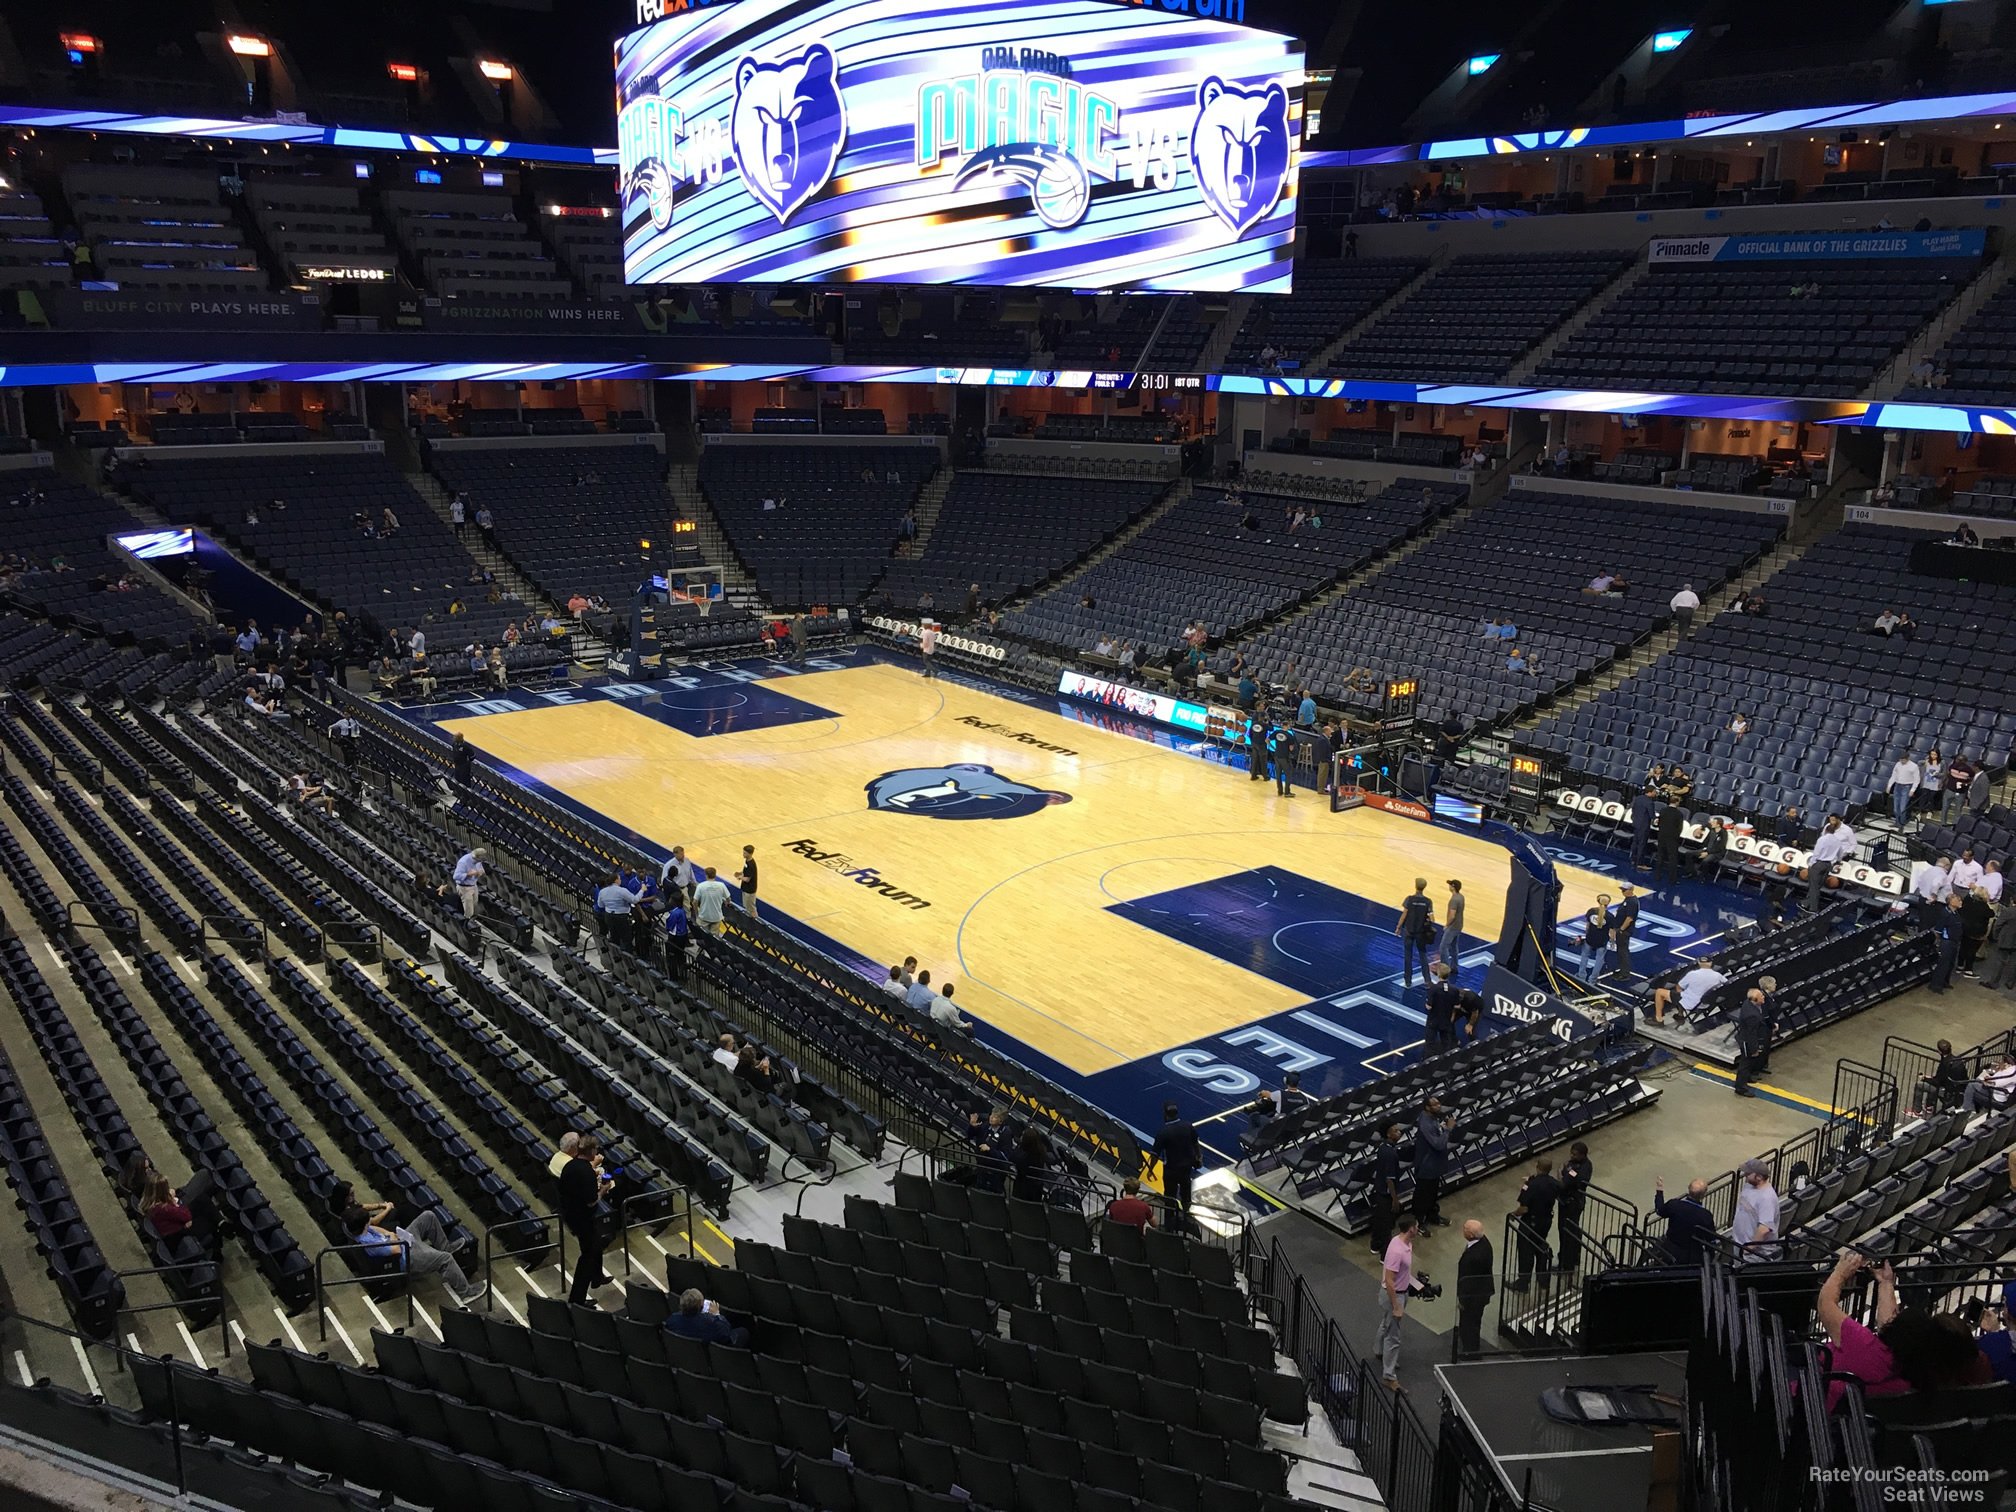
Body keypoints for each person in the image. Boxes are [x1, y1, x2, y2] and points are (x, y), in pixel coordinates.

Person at [348, 1204, 487, 1306]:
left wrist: (389, 1234)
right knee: (445, 1258)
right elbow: (396, 1250)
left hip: (403, 1241)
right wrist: (393, 1237)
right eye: (368, 1220)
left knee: (428, 1216)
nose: (370, 1221)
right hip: (405, 1257)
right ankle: (466, 1293)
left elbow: (375, 1227)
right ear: (363, 1224)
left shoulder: (364, 1230)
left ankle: (446, 1247)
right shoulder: (369, 1243)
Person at [557, 1134, 614, 1306]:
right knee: (588, 1255)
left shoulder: (570, 1165)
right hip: (582, 1219)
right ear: (590, 1151)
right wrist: (603, 1190)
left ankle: (597, 1277)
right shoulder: (586, 1172)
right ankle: (577, 1299)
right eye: (595, 1150)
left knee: (596, 1244)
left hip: (571, 1213)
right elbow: (591, 1201)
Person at [1378, 1214, 1421, 1392]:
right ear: (1411, 1228)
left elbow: (1402, 1273)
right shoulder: (1397, 1250)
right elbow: (1389, 1280)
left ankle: (1379, 1351)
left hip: (1401, 1292)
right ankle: (1389, 1376)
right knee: (1393, 1336)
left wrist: (1416, 1285)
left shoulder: (1403, 1243)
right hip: (1394, 1296)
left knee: (1386, 1324)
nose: (1418, 1229)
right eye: (1417, 1226)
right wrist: (1396, 1306)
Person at [1507, 1157, 1559, 1289]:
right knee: (1540, 1247)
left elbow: (1524, 1208)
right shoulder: (1553, 1183)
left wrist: (1513, 1214)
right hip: (1546, 1220)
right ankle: (1543, 1280)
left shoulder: (1531, 1185)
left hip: (1530, 1222)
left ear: (1537, 1167)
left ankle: (1523, 1283)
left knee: (1526, 1252)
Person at [1456, 1218, 1494, 1359]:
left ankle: (1471, 1351)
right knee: (1470, 1321)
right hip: (1480, 1291)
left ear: (1471, 1235)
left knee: (1471, 1322)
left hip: (1474, 1296)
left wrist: (1463, 1299)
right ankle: (1467, 1341)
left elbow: (1469, 1282)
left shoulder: (1475, 1257)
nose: (1463, 1229)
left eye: (1465, 1228)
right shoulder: (1483, 1242)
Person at [1153, 1102, 1200, 1215]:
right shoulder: (1188, 1126)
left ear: (1165, 1114)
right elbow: (1196, 1143)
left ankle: (1169, 1222)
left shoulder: (1163, 1132)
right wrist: (1199, 1157)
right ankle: (1186, 1215)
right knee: (1186, 1194)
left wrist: (1150, 1169)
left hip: (1171, 1170)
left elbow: (1155, 1155)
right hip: (1186, 1168)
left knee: (1169, 1196)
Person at [1413, 1098, 1452, 1227]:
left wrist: (1441, 1128)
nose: (1439, 1106)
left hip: (1434, 1165)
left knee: (1432, 1194)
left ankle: (1433, 1216)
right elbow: (1438, 1144)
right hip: (1426, 1167)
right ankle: (1419, 1223)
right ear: (1427, 1108)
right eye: (1435, 1105)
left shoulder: (1433, 1118)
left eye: (1439, 1103)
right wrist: (1448, 1130)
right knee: (1422, 1196)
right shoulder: (1425, 1124)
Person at [1651, 962, 1728, 1027]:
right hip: (1709, 1004)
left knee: (1660, 992)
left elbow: (1679, 987)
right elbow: (1727, 984)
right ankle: (1680, 1015)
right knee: (1683, 994)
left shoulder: (1692, 974)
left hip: (1693, 1004)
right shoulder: (1718, 975)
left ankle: (1659, 1019)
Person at [1367, 1123, 1404, 1257]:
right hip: (1386, 1194)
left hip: (1380, 1191)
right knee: (1386, 1225)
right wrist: (1395, 1199)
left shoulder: (1383, 1148)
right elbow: (1390, 1179)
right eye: (1395, 1131)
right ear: (1388, 1134)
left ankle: (1375, 1245)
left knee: (1379, 1220)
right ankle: (1385, 1255)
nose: (1399, 1132)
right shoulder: (1389, 1153)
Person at [1731, 1158, 1779, 1261]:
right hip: (1740, 1244)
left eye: (1748, 1173)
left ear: (1759, 1177)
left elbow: (1764, 1229)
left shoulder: (1767, 1198)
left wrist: (1748, 1249)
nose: (1745, 1175)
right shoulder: (1749, 1186)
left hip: (1754, 1253)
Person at [664, 1287, 747, 1345]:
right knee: (743, 1332)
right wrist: (717, 1314)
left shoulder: (672, 1320)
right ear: (701, 1307)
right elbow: (726, 1332)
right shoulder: (712, 1324)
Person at [1396, 878, 1435, 987]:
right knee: (1423, 956)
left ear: (1415, 886)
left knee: (1408, 956)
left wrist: (1398, 927)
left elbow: (1404, 915)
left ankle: (1408, 981)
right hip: (1420, 932)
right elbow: (1432, 919)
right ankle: (1427, 980)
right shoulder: (1428, 901)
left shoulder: (1409, 899)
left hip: (1409, 931)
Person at [1732, 988, 1770, 1097]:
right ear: (1755, 999)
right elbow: (1751, 1034)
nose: (1763, 997)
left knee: (1751, 1062)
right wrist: (1754, 1049)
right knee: (1746, 1063)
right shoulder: (1752, 1015)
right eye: (1761, 996)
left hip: (1749, 1037)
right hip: (1747, 1041)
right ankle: (1740, 1087)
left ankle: (1747, 1078)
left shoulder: (1749, 1003)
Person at [1929, 891, 1964, 993]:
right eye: (1958, 900)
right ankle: (1936, 985)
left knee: (1950, 964)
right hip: (1947, 942)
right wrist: (1941, 941)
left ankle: (1945, 982)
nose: (1961, 902)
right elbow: (1938, 930)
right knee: (1943, 964)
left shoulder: (1956, 913)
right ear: (1951, 902)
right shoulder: (1945, 913)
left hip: (1954, 941)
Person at [1423, 964, 1463, 1051]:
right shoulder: (1454, 989)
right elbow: (1457, 1005)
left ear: (1438, 974)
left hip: (1433, 1020)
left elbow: (1428, 1007)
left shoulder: (1433, 989)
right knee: (1446, 1043)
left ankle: (1429, 1061)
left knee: (1430, 1043)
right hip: (1446, 1020)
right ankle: (1446, 1061)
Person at [143, 1175, 193, 1239]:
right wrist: (175, 1203)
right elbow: (187, 1216)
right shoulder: (166, 1208)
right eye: (167, 1187)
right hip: (171, 1235)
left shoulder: (148, 1199)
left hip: (161, 1225)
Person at [1961, 885, 1994, 977]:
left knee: (1963, 947)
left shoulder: (1968, 900)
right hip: (1977, 932)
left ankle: (1959, 966)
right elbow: (1991, 914)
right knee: (1972, 950)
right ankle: (1968, 970)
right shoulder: (1984, 906)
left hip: (1965, 928)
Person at [1610, 885, 1640, 980]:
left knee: (1623, 952)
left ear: (1631, 890)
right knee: (1621, 951)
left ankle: (1625, 974)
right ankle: (1623, 970)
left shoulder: (1632, 902)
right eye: (1622, 890)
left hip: (1624, 931)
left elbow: (1629, 918)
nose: (1622, 891)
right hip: (1622, 930)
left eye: (1624, 890)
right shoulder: (1628, 899)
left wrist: (1621, 930)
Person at [1886, 751, 1922, 827]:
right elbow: (1894, 776)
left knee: (1902, 808)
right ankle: (1897, 822)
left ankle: (1901, 824)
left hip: (1907, 787)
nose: (1902, 761)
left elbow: (1917, 780)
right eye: (1901, 759)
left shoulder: (1914, 766)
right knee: (1896, 807)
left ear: (1907, 758)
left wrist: (1912, 790)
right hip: (1897, 786)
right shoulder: (1898, 764)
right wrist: (1889, 786)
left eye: (1903, 760)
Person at [1653, 800, 1684, 886]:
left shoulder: (1663, 810)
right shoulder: (1679, 814)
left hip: (1661, 835)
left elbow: (1658, 823)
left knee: (1660, 855)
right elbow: (1679, 828)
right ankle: (1672, 879)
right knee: (1672, 858)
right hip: (1672, 838)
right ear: (1677, 803)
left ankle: (1657, 875)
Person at [452, 847, 487, 921]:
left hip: (474, 885)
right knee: (469, 911)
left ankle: (472, 923)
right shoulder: (463, 862)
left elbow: (480, 868)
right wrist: (468, 874)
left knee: (474, 908)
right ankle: (467, 926)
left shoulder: (478, 861)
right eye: (480, 860)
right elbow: (455, 876)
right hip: (464, 888)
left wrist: (481, 872)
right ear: (476, 857)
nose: (480, 862)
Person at [693, 866, 730, 935]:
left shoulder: (701, 886)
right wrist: (726, 902)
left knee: (703, 936)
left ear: (706, 875)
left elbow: (695, 902)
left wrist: (697, 914)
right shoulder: (721, 885)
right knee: (714, 938)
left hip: (703, 916)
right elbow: (728, 898)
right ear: (715, 875)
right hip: (716, 917)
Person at [1578, 905, 1612, 980]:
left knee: (1584, 956)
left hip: (1590, 938)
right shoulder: (1610, 916)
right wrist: (1612, 941)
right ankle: (1593, 979)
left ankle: (1581, 976)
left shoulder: (1591, 911)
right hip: (1602, 941)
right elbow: (1612, 930)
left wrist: (1586, 934)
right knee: (1599, 960)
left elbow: (1587, 926)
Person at [1943, 752, 1978, 824]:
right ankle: (1953, 826)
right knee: (1957, 811)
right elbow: (1971, 779)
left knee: (1946, 808)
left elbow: (1948, 775)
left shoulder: (1952, 766)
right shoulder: (1969, 770)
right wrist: (1965, 783)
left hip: (1954, 791)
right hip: (1956, 791)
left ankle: (1943, 824)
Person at [1628, 784, 1657, 870]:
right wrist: (1656, 819)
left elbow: (1633, 809)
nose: (1655, 793)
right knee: (1642, 844)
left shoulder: (1638, 798)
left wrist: (1634, 819)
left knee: (1635, 842)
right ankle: (1640, 863)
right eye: (1654, 792)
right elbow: (1652, 815)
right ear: (1650, 792)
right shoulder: (1650, 802)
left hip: (1636, 823)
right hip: (1644, 826)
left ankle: (1633, 859)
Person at [1439, 879, 1465, 967]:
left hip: (1453, 926)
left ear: (1453, 887)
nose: (1449, 886)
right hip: (1459, 924)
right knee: (1454, 947)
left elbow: (1452, 915)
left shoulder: (1454, 900)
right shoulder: (1461, 897)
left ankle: (1444, 968)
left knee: (1443, 947)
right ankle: (1455, 966)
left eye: (1450, 885)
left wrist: (1447, 924)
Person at [737, 844, 760, 921]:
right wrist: (740, 873)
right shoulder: (747, 861)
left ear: (750, 854)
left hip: (750, 889)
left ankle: (757, 923)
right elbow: (745, 872)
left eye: (745, 853)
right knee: (747, 907)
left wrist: (740, 877)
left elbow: (747, 879)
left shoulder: (751, 864)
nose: (743, 854)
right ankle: (749, 921)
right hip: (745, 888)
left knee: (751, 909)